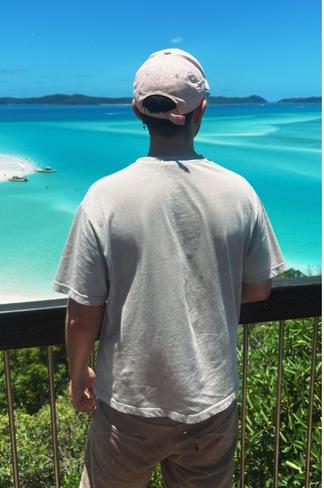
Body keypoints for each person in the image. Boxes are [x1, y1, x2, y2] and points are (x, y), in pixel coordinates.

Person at [52, 48, 287, 488]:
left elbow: (83, 312)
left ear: (137, 111)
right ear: (202, 111)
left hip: (128, 404)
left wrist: (77, 373)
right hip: (210, 403)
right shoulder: (240, 192)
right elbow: (258, 288)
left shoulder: (105, 196)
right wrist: (203, 288)